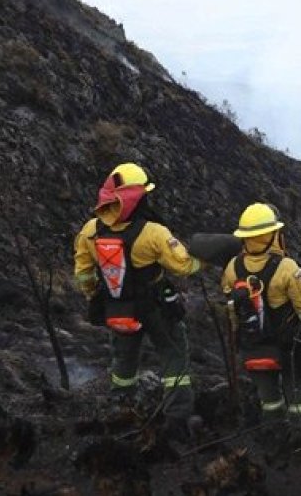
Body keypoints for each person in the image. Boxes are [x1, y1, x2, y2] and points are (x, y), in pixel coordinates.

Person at [72, 163, 201, 436]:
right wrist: (205, 258)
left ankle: (121, 405)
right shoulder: (153, 232)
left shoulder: (90, 231)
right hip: (156, 306)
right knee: (173, 355)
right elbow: (183, 266)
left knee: (123, 359)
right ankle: (177, 419)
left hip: (118, 307)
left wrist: (95, 296)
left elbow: (83, 273)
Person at [221, 202, 301, 434]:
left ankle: (273, 434)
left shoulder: (231, 268)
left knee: (269, 398)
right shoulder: (287, 268)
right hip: (289, 349)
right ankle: (300, 438)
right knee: (299, 393)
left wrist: (239, 336)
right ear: (273, 235)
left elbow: (232, 309)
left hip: (254, 346)